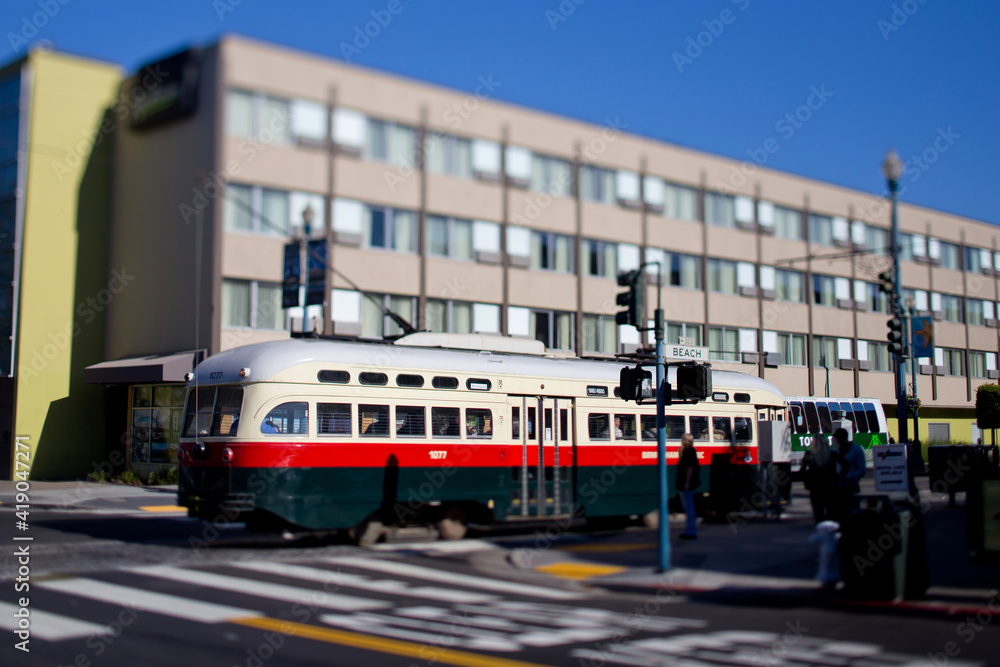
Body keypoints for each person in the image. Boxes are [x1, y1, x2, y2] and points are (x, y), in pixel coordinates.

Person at [830, 427, 865, 520]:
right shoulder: (836, 451)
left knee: (853, 514)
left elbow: (861, 470)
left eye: (837, 438)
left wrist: (847, 477)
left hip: (852, 487)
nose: (836, 440)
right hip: (839, 488)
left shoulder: (856, 450)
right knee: (840, 514)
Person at [801, 434, 836, 523]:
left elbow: (802, 469)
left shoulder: (809, 454)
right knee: (829, 508)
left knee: (817, 509)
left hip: (815, 485)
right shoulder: (831, 454)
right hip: (828, 485)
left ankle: (820, 524)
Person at [675, 432, 700, 539]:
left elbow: (690, 468)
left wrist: (686, 483)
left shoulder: (689, 452)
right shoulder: (687, 451)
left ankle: (691, 532)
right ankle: (690, 531)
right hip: (684, 483)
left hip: (686, 484)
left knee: (689, 507)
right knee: (688, 507)